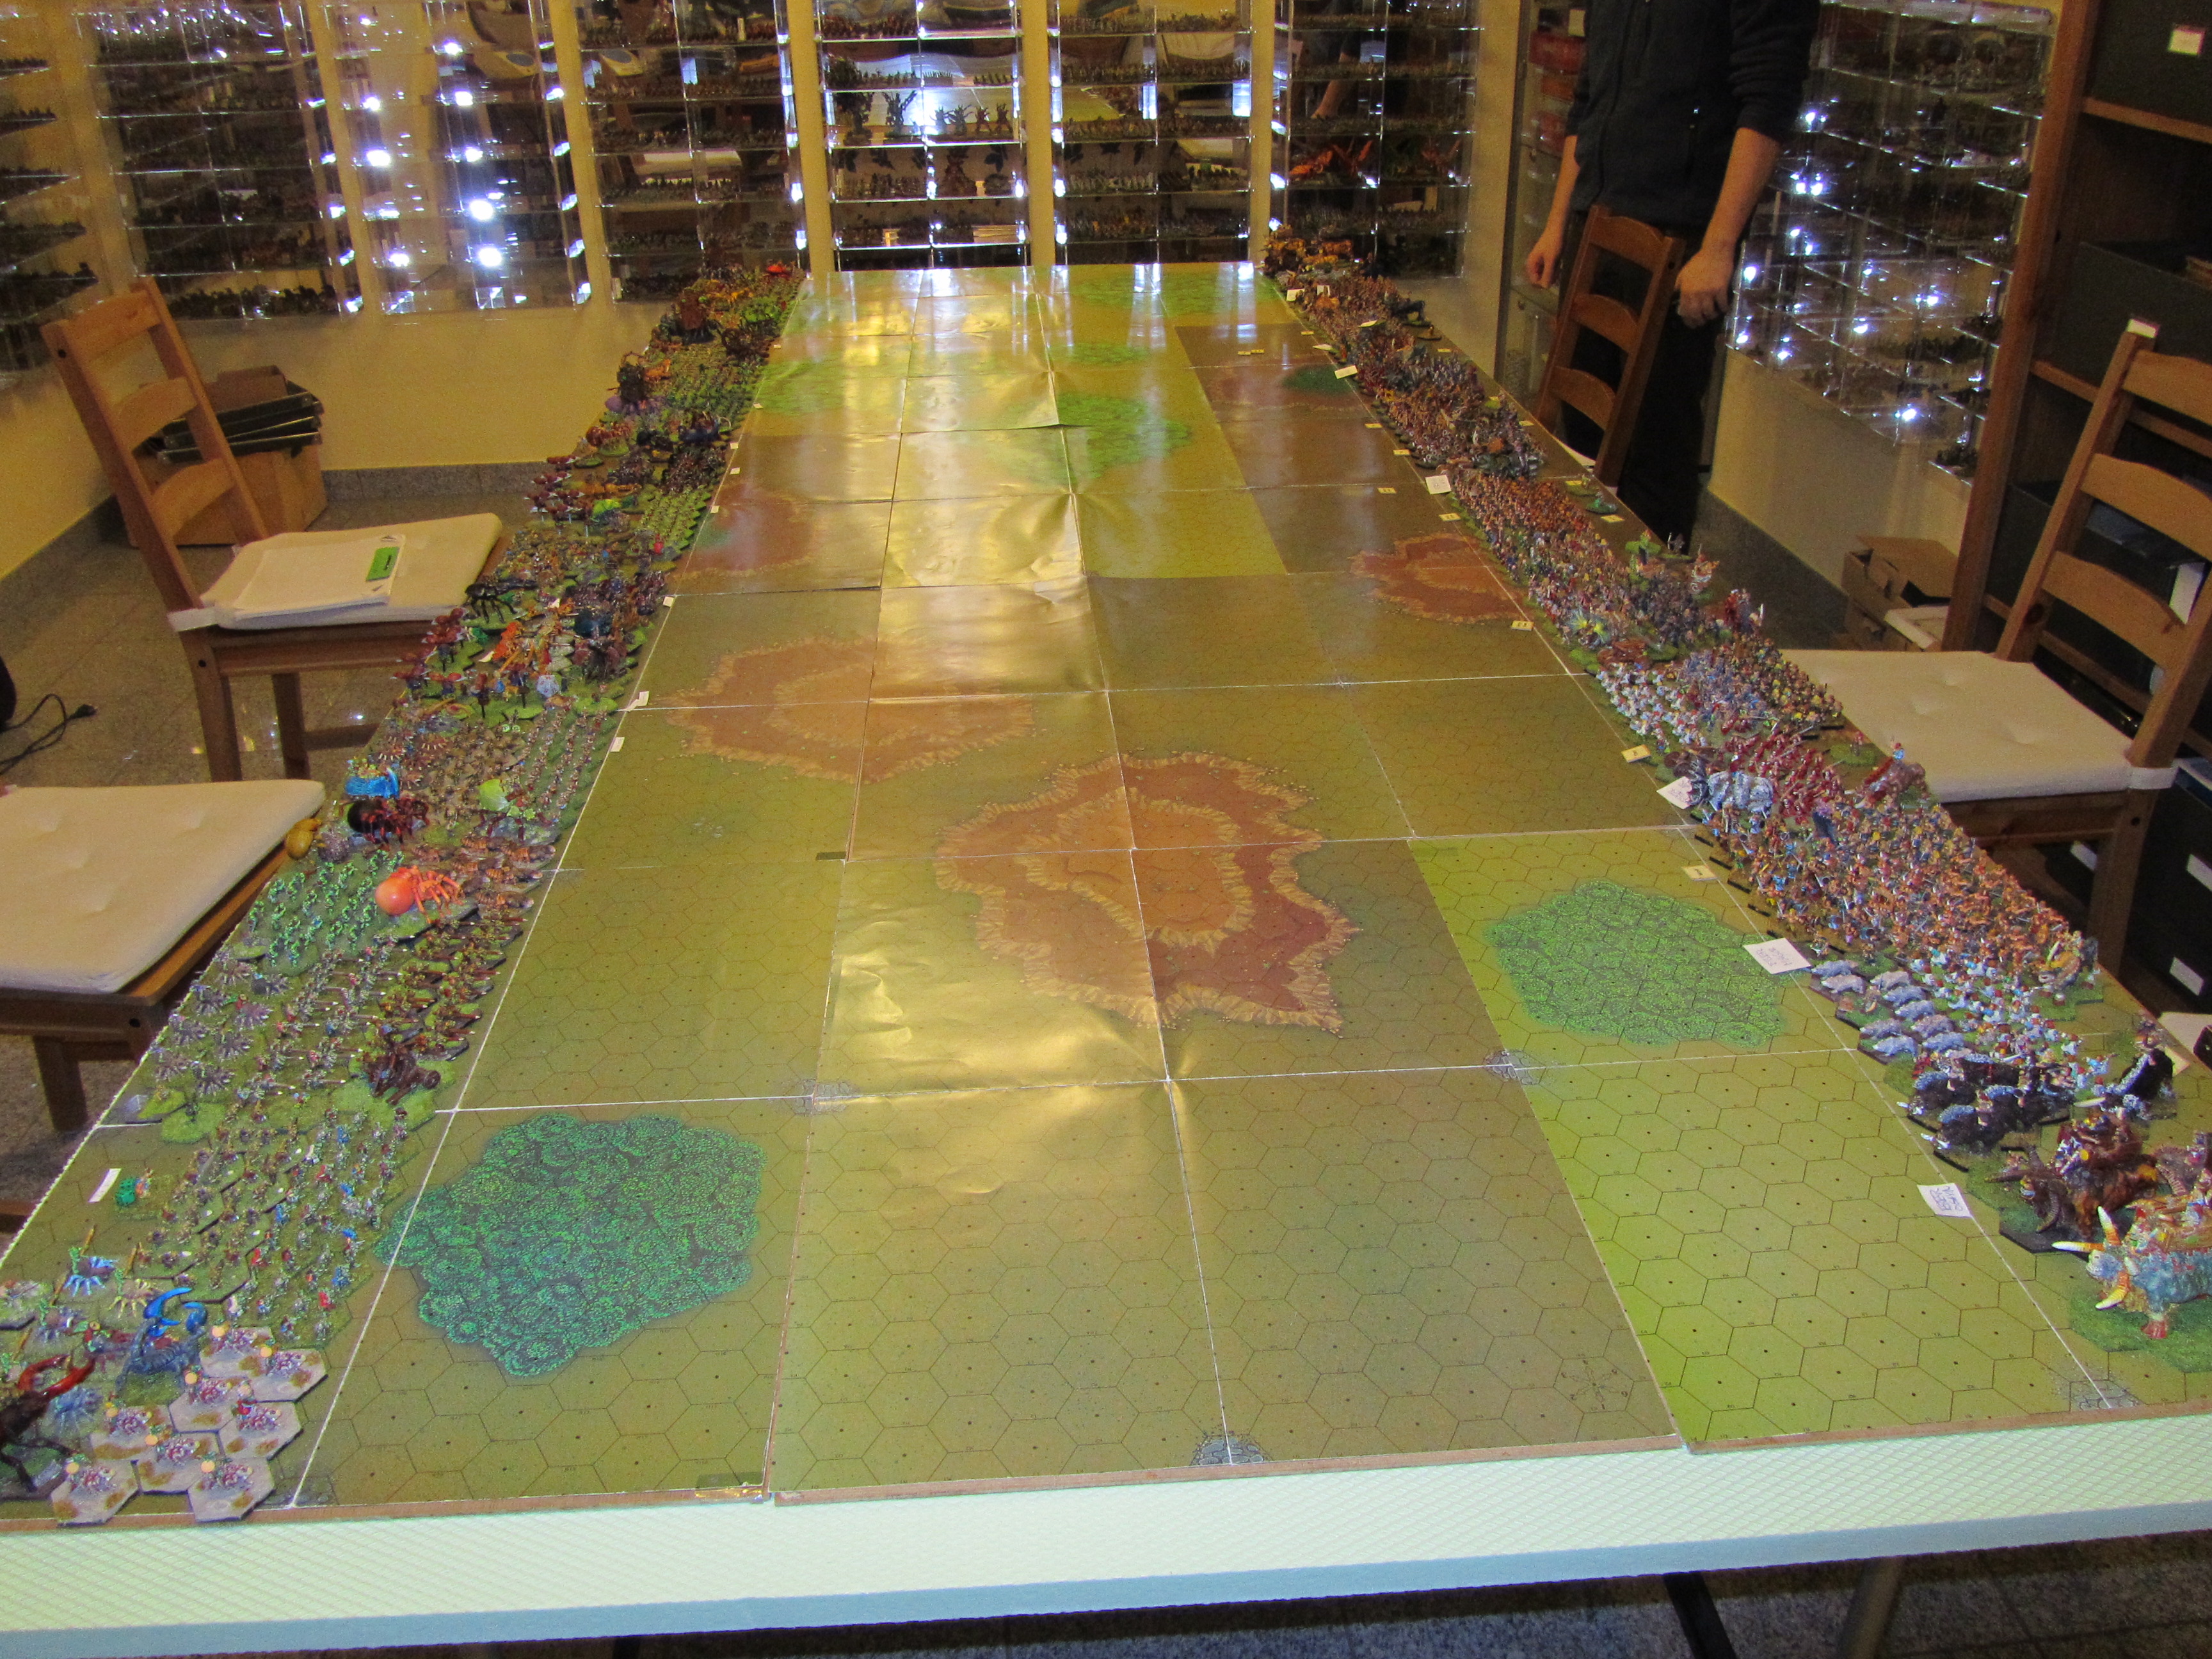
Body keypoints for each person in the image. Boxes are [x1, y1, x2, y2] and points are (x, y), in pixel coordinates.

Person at [1524, 0, 1818, 543]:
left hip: (1681, 234)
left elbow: (1768, 101)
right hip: (1597, 219)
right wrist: (1558, 223)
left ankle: (1652, 590)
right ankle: (1585, 578)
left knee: (1656, 449)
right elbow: (1588, 101)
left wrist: (1718, 247)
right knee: (1581, 434)